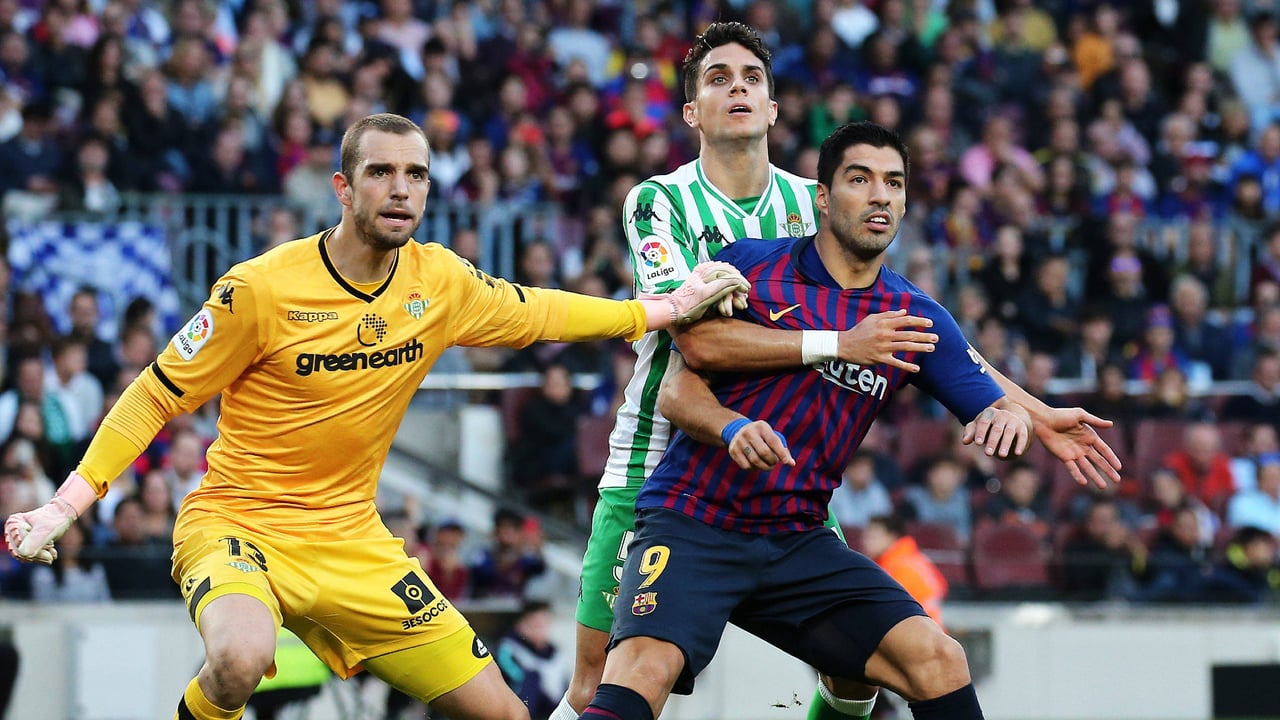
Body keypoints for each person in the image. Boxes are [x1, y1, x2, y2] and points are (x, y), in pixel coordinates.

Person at [3, 113, 749, 720]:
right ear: (343, 186)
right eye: (381, 172)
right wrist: (64, 507)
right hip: (239, 525)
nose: (400, 190)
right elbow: (153, 394)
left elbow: (541, 313)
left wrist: (665, 308)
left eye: (416, 174)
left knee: (503, 714)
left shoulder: (440, 282)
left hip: (353, 543)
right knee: (238, 659)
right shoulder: (258, 290)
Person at [578, 122, 1123, 720]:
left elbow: (984, 393)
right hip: (694, 519)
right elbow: (679, 385)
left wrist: (1017, 418)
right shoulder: (750, 266)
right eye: (860, 179)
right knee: (639, 672)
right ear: (823, 197)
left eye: (894, 183)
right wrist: (732, 426)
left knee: (938, 660)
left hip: (796, 537)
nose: (879, 195)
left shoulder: (912, 315)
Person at [554, 25, 944, 720]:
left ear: (772, 107)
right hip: (659, 457)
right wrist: (826, 337)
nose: (736, 88)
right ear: (691, 112)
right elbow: (695, 334)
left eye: (751, 79)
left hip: (785, 469)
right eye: (718, 79)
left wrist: (1023, 404)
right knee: (597, 684)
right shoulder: (658, 201)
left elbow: (906, 313)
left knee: (856, 672)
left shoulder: (813, 201)